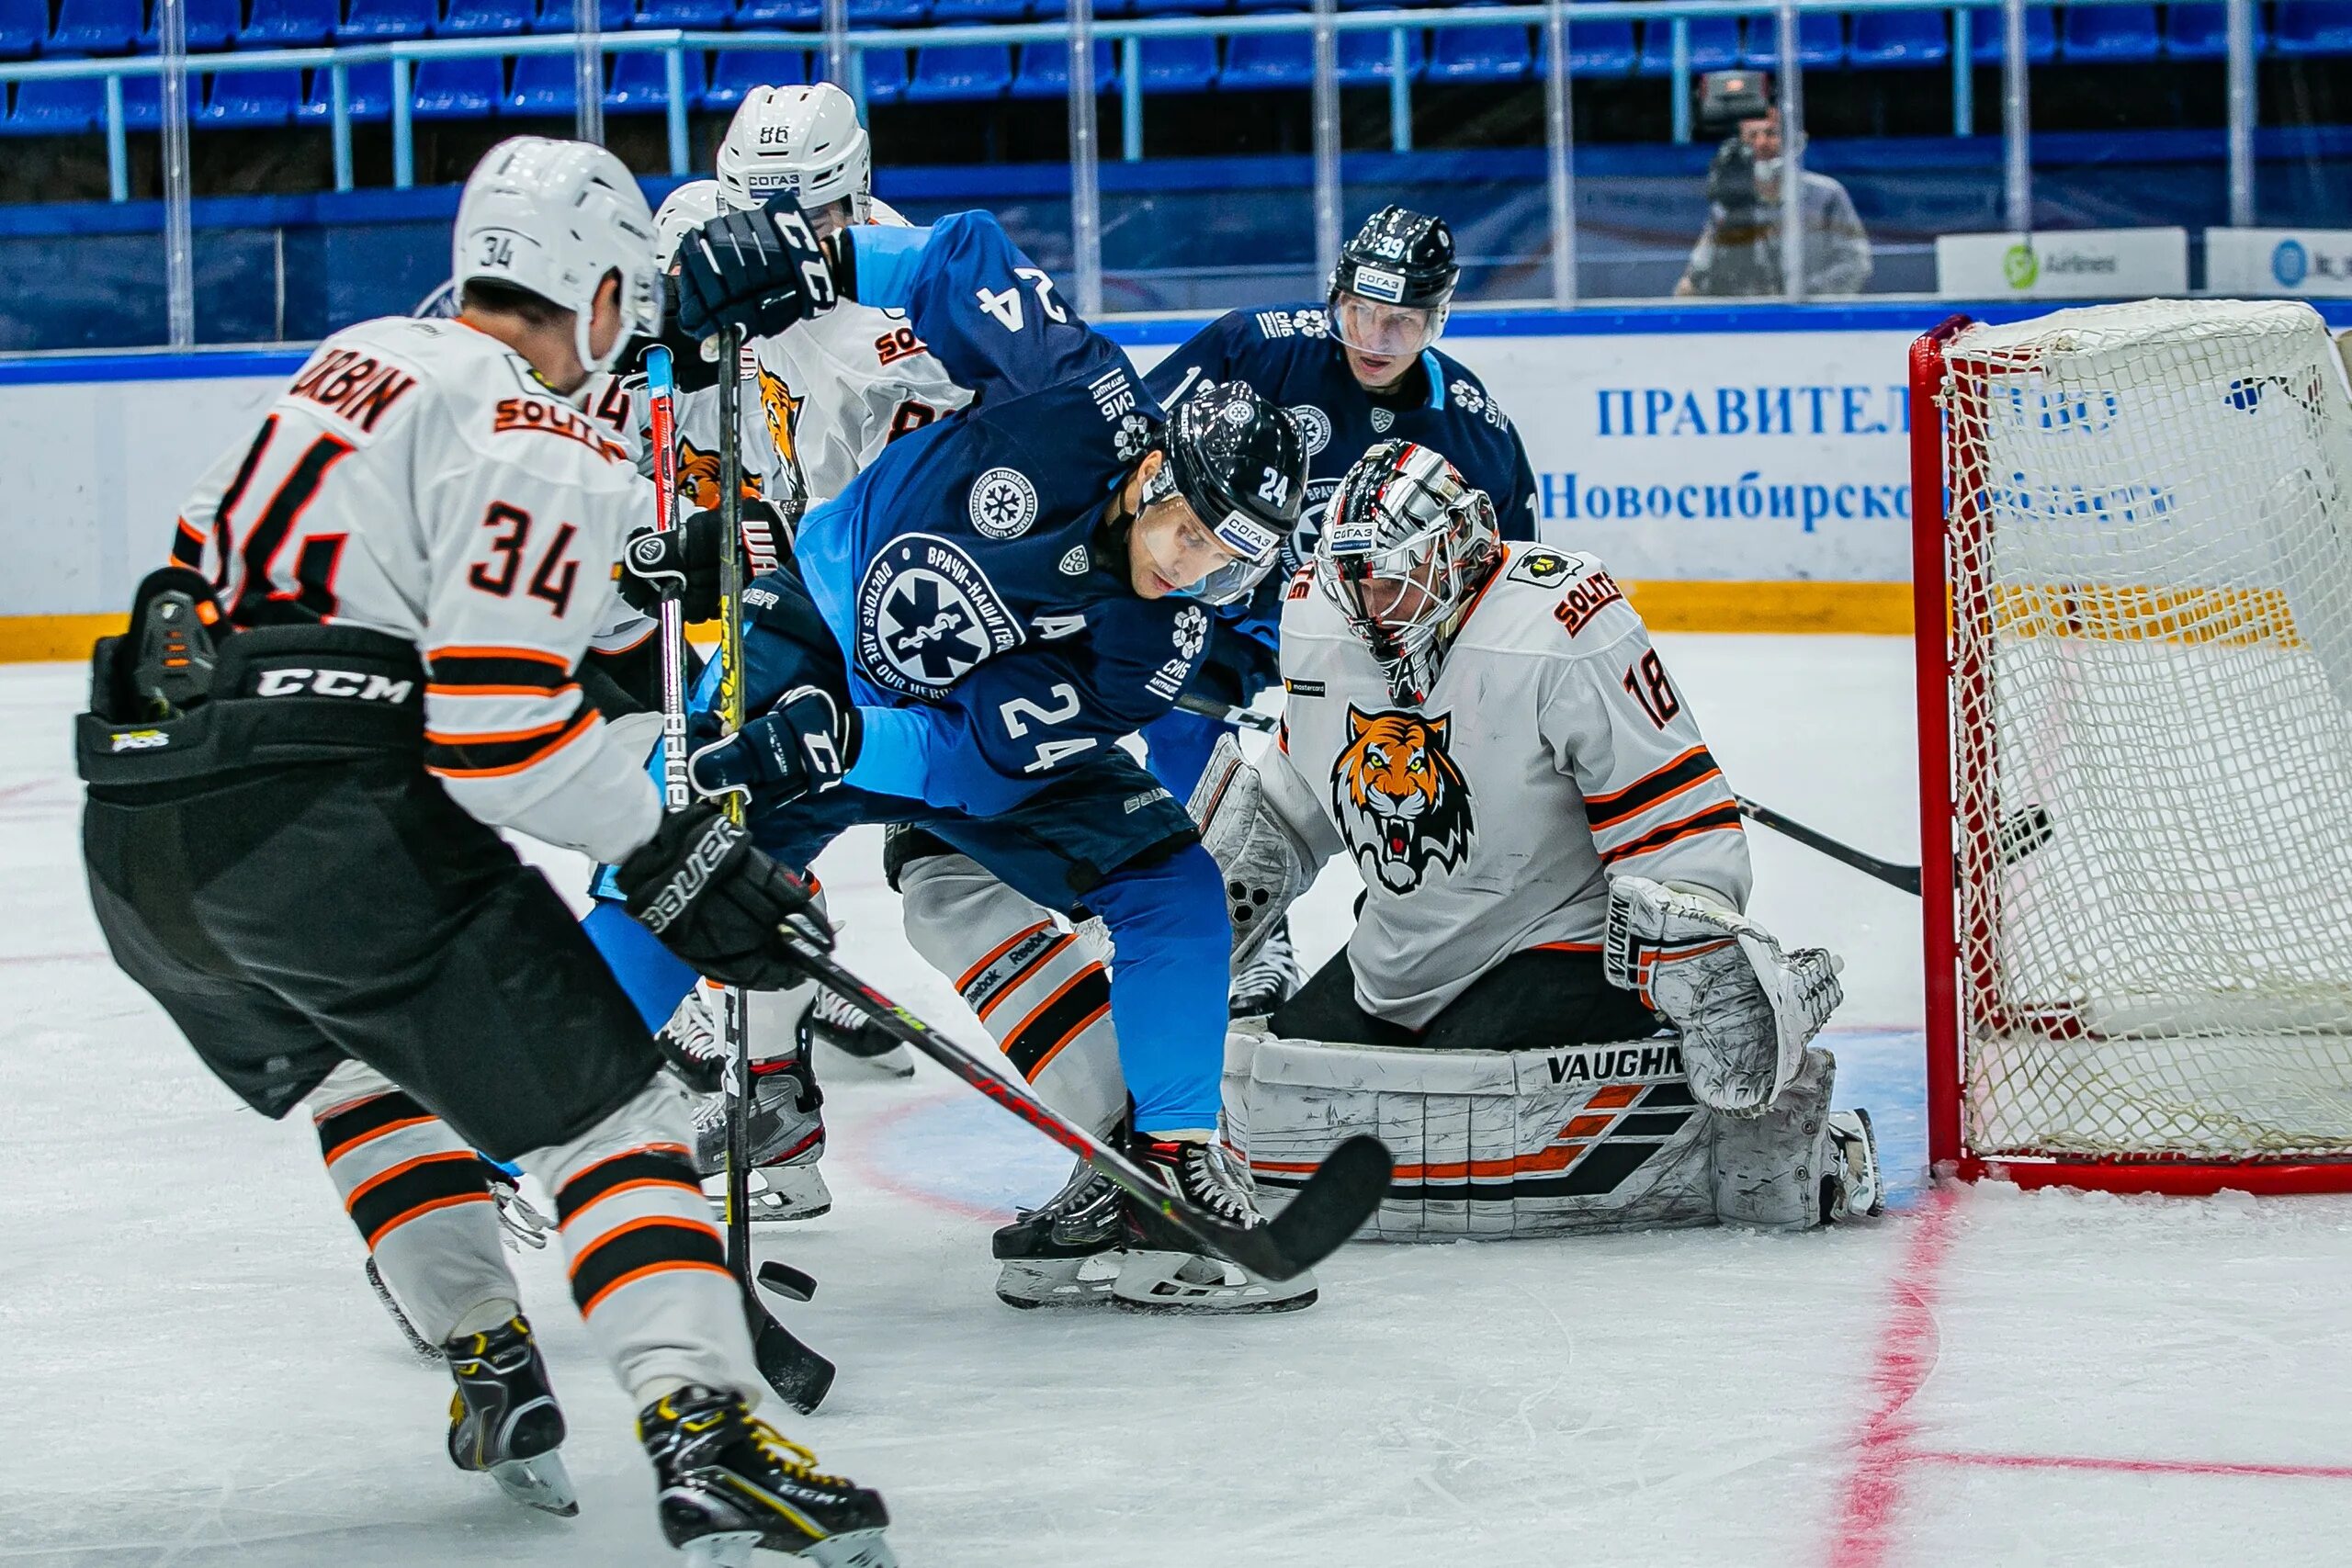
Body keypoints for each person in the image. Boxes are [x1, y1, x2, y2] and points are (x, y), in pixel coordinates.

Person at [75, 137, 893, 1566]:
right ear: (592, 295)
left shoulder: (357, 355)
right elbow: (499, 735)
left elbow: (264, 573)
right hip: (316, 809)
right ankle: (711, 1440)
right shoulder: (544, 433)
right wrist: (679, 858)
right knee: (610, 1113)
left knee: (357, 1061)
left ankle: (493, 1364)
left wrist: (658, 663)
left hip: (143, 827)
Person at [594, 195, 1321, 1314]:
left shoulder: (1151, 646)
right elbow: (951, 259)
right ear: (1151, 475)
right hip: (811, 628)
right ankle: (509, 1134)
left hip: (919, 727)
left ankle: (1172, 1162)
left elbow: (968, 759)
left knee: (1167, 881)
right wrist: (813, 252)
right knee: (665, 856)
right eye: (1193, 537)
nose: (1196, 575)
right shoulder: (1078, 390)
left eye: (1231, 567)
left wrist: (840, 745)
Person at [885, 205, 1545, 1092]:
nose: (1376, 338)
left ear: (1441, 317)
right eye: (1359, 312)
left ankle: (1414, 936)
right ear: (1334, 297)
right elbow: (1140, 453)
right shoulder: (1254, 347)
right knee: (1192, 738)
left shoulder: (1476, 430)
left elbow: (1510, 584)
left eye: (1403, 321)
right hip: (1228, 627)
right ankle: (1251, 935)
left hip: (1376, 650)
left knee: (1416, 787)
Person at [1195, 439, 1883, 1236]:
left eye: (1391, 576)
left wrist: (1707, 965)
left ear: (1458, 546)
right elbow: (1296, 797)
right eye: (1355, 578)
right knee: (1283, 1087)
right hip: (1398, 955)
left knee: (1453, 1105)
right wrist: (1197, 925)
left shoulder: (1563, 621)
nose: (1369, 604)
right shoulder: (1322, 612)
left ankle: (1805, 1143)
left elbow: (1675, 819)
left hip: (1554, 942)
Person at [1674, 104, 1872, 299]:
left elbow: (1855, 265)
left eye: (1771, 134)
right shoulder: (1731, 204)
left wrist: (1797, 297)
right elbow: (1695, 279)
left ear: (1794, 140)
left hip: (1811, 319)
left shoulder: (1827, 194)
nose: (1761, 144)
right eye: (1752, 136)